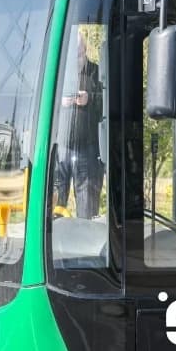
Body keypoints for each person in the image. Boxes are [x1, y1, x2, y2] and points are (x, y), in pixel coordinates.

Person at [52, 32, 104, 218]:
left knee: (87, 206)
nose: (75, 60)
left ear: (85, 50)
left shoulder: (97, 73)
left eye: (78, 54)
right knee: (54, 205)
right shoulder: (59, 73)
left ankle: (86, 241)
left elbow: (107, 104)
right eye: (71, 56)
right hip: (61, 148)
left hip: (88, 149)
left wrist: (90, 98)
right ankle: (54, 241)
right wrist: (60, 102)